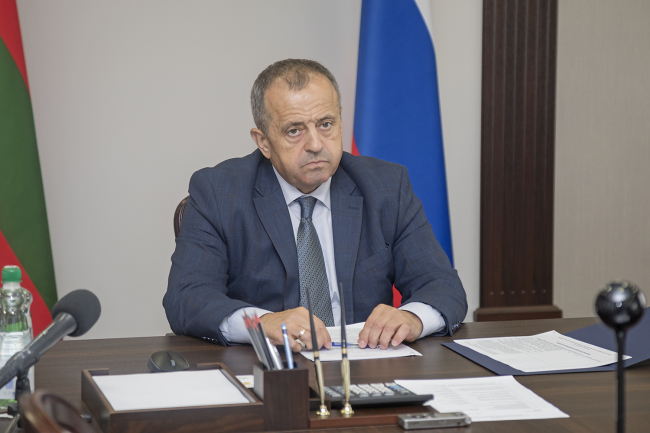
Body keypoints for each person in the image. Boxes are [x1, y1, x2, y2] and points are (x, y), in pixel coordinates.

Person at [164, 59, 467, 352]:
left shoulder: (386, 186)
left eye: (325, 124)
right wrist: (261, 323)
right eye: (294, 130)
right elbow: (187, 297)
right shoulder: (219, 192)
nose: (315, 144)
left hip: (365, 363)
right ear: (263, 141)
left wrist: (412, 318)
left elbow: (442, 285)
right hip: (273, 370)